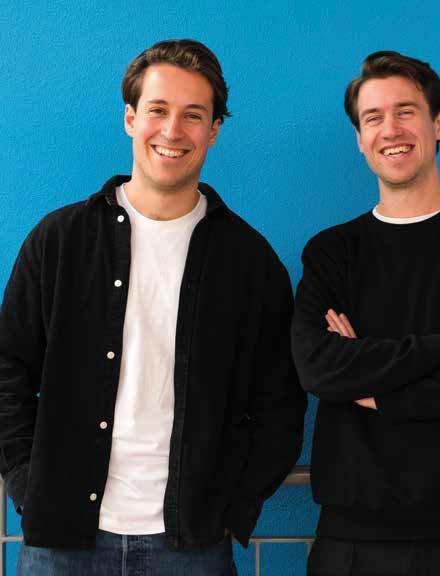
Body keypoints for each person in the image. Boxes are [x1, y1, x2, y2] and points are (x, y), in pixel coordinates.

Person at [0, 39, 306, 576]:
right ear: (130, 118)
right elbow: (7, 370)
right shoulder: (59, 240)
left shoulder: (249, 261)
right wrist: (29, 482)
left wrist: (233, 508)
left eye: (194, 115)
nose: (172, 130)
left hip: (192, 548)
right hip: (62, 543)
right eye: (158, 110)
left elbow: (281, 403)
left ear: (214, 130)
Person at [292, 50, 440, 575]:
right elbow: (318, 367)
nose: (390, 129)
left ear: (438, 122)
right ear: (360, 139)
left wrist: (377, 388)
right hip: (352, 539)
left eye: (406, 111)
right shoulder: (332, 253)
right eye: (373, 118)